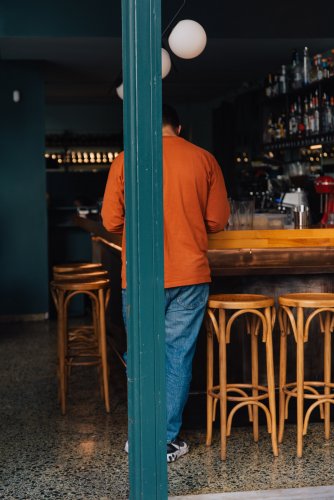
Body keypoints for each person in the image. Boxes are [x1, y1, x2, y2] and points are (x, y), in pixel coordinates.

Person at [101, 104, 230, 462]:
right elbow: (218, 220)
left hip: (141, 276)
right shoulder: (203, 158)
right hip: (190, 274)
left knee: (142, 355)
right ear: (179, 127)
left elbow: (110, 222)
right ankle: (166, 439)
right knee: (177, 355)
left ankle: (141, 434)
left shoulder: (126, 159)